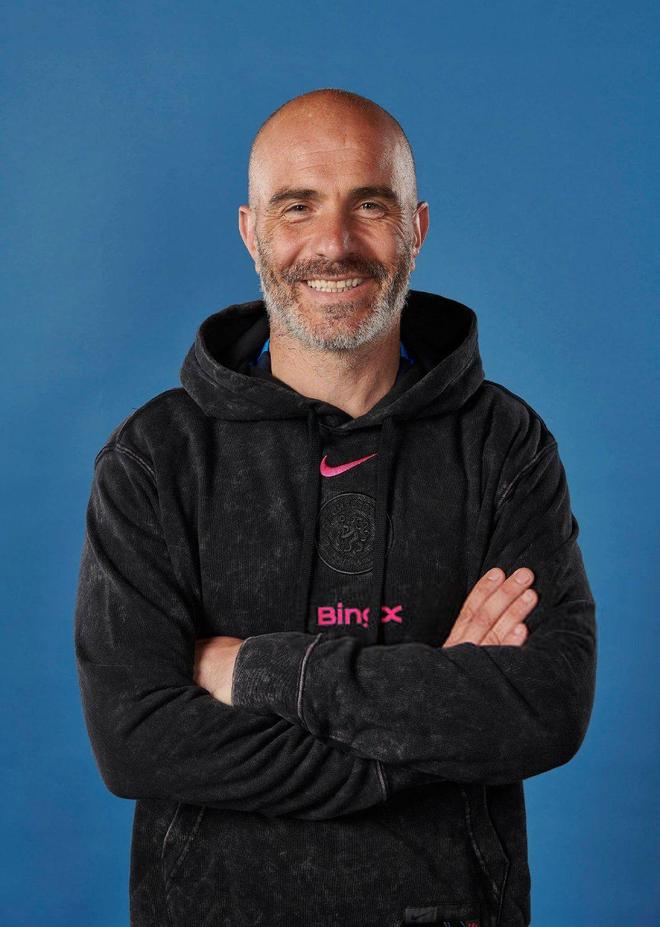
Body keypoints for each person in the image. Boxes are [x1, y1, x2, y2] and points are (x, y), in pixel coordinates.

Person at [74, 88, 597, 927]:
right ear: (251, 232)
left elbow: (545, 706)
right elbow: (135, 737)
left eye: (370, 205)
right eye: (298, 206)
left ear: (416, 228)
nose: (334, 244)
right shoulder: (155, 456)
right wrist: (423, 736)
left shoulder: (504, 443)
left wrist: (256, 672)